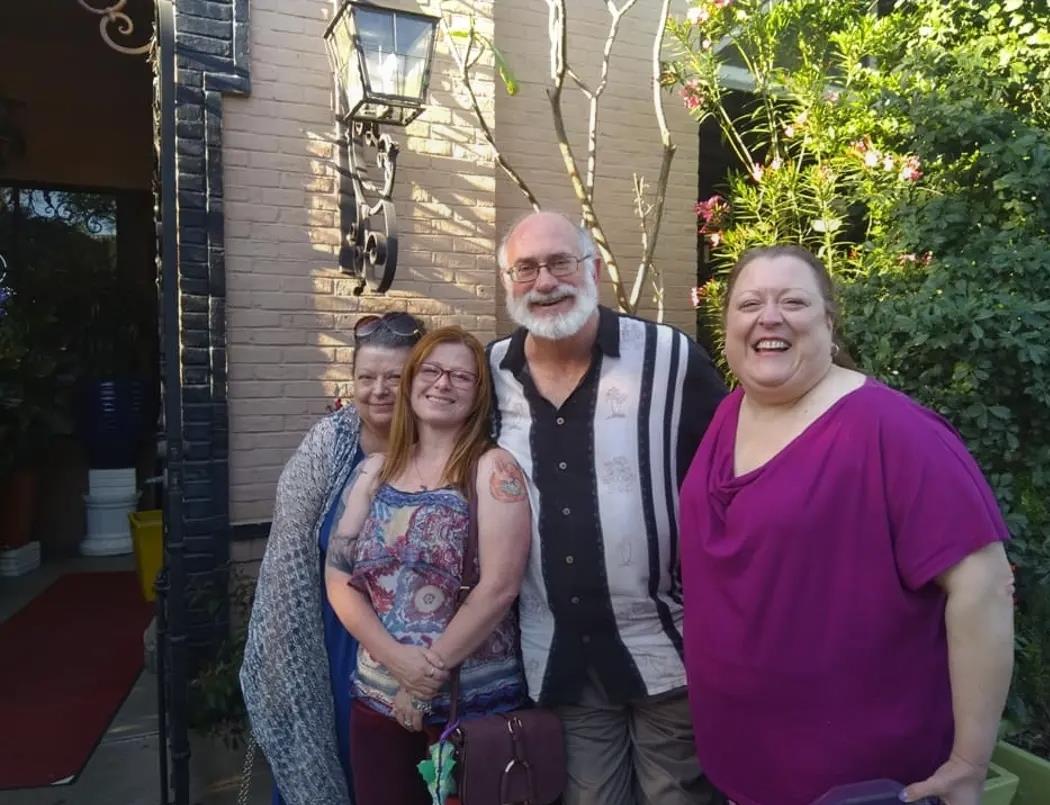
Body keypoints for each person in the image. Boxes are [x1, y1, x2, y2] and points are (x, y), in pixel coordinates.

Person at [678, 244, 1015, 805]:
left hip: (856, 782)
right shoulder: (728, 413)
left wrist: (968, 762)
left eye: (793, 301)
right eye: (749, 304)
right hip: (743, 759)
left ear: (829, 322)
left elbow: (985, 586)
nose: (769, 317)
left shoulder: (891, 430)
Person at [487, 211, 727, 805]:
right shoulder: (491, 372)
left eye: (560, 262)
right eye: (526, 268)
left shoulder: (673, 359)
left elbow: (731, 482)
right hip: (562, 659)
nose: (545, 282)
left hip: (669, 651)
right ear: (508, 283)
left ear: (592, 268)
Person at [325, 326, 532, 805]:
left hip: (472, 707)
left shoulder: (494, 469)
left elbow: (500, 586)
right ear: (413, 379)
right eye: (433, 371)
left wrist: (425, 678)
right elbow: (339, 575)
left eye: (462, 376)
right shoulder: (372, 472)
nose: (444, 384)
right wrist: (397, 662)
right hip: (376, 700)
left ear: (478, 395)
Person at [240, 312, 425, 805]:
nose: (379, 390)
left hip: (422, 650)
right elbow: (285, 562)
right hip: (333, 647)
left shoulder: (443, 442)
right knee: (332, 764)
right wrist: (279, 659)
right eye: (367, 377)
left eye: (395, 377)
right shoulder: (328, 445)